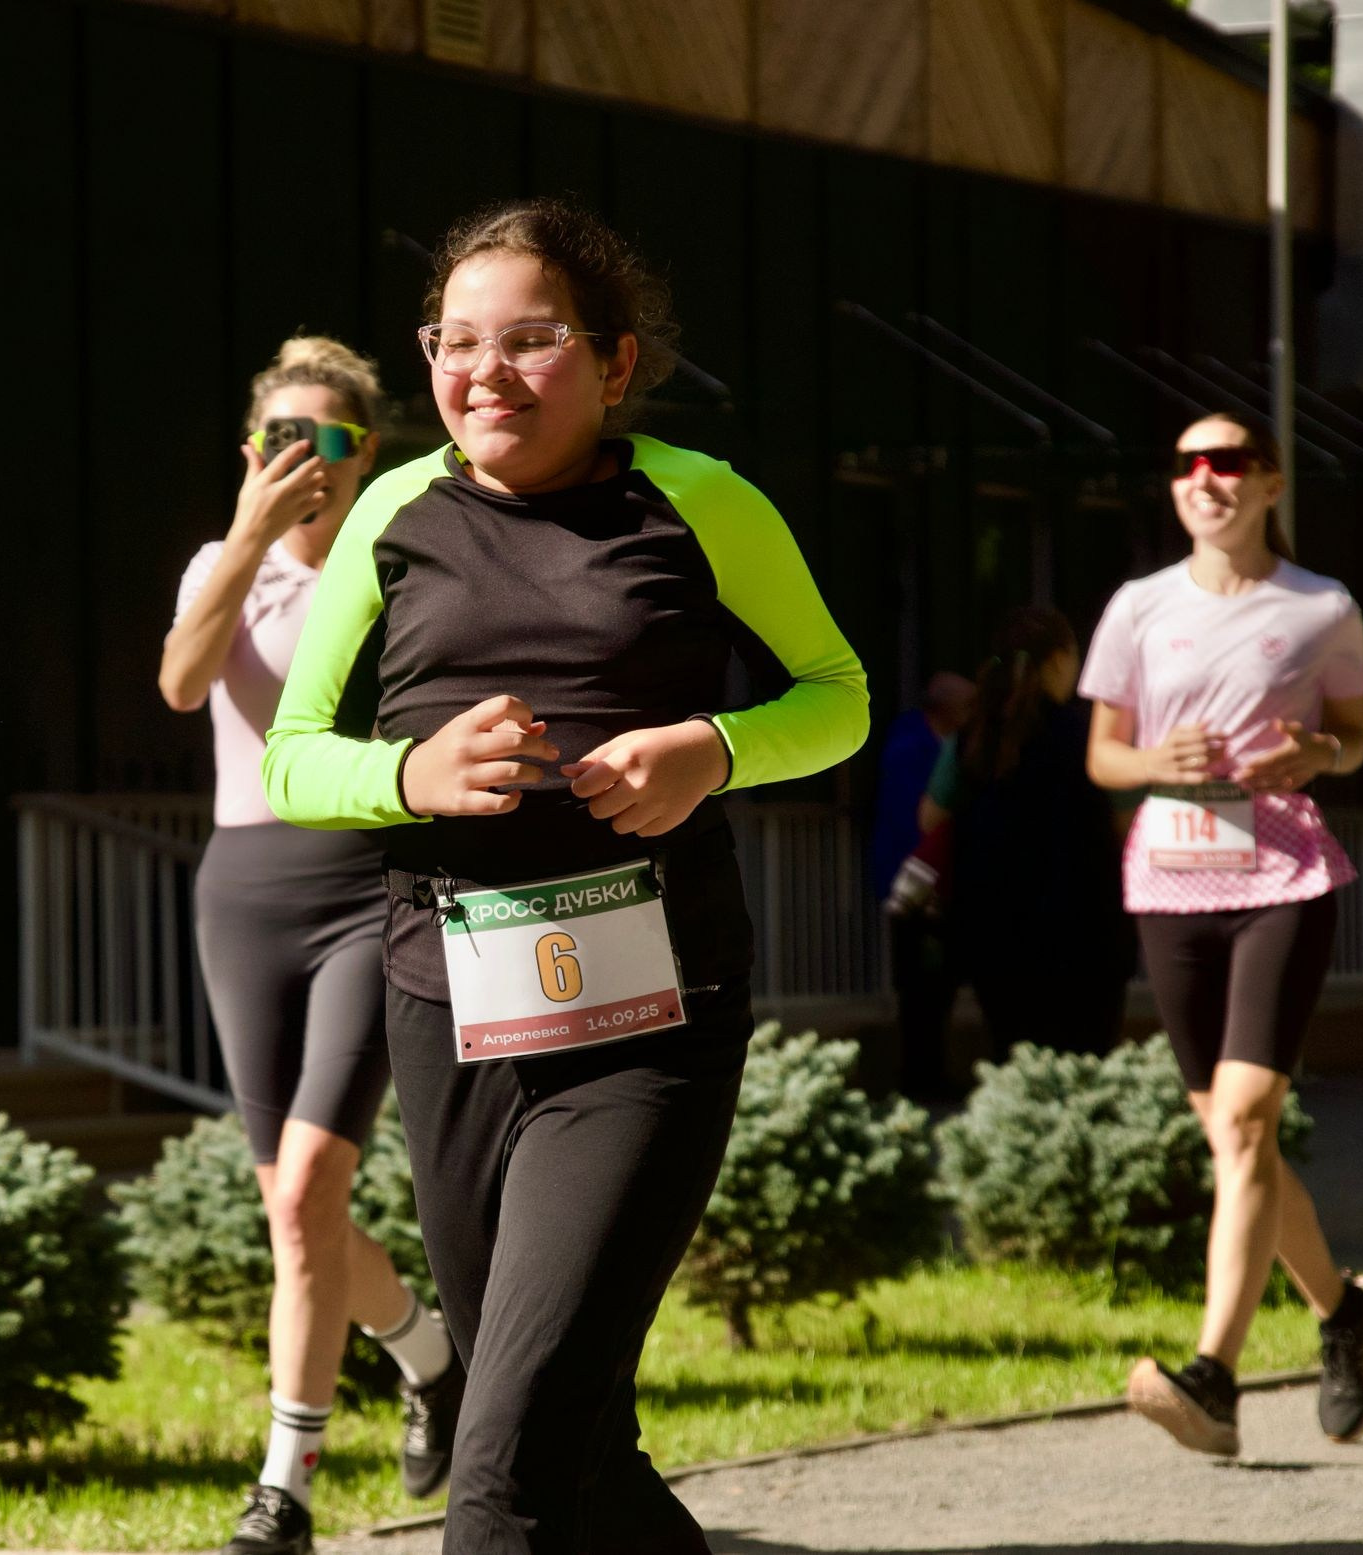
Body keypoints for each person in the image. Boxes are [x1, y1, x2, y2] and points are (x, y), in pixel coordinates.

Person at [263, 200, 868, 1554]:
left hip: (650, 1012)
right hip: (450, 1005)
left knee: (505, 1463)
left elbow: (839, 696)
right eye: (456, 341)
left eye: (531, 340)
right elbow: (294, 757)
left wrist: (715, 748)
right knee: (576, 1441)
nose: (487, 372)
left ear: (615, 360)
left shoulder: (702, 498)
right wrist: (410, 773)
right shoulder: (392, 512)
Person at [158, 337, 461, 1555]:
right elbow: (182, 683)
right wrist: (245, 538)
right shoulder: (220, 565)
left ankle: (282, 1487)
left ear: (366, 451)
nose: (305, 458)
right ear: (250, 450)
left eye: (327, 437)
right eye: (281, 435)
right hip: (244, 895)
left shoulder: (400, 566)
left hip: (369, 884)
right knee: (294, 1211)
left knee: (307, 1187)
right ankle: (430, 1353)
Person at [1080, 413, 1363, 1459]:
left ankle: (1212, 1376)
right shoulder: (1138, 605)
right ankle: (1343, 1309)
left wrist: (1320, 752)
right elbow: (1104, 756)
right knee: (1233, 1136)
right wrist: (1154, 762)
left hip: (1283, 877)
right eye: (1185, 463)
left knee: (1250, 1118)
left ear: (1269, 483)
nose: (1204, 478)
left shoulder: (1320, 606)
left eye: (1226, 461)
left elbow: (1355, 737)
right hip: (1170, 883)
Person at [919, 606, 1130, 1060]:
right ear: (1058, 659)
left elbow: (930, 817)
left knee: (1014, 1058)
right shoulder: (1090, 737)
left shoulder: (973, 737)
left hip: (992, 929)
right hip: (1086, 928)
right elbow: (1127, 823)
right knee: (1087, 1061)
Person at [872, 671, 974, 1099]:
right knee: (920, 990)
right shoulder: (911, 748)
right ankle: (921, 1081)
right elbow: (918, 824)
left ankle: (930, 1076)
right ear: (947, 710)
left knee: (936, 989)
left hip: (931, 884)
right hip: (914, 885)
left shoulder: (928, 741)